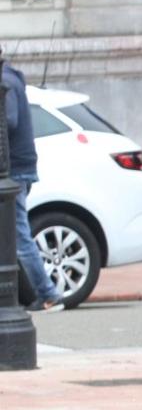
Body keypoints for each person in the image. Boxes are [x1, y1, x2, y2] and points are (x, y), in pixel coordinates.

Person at [3, 48, 63, 313]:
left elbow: (9, 121)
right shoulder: (11, 78)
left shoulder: (4, 82)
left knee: (18, 235)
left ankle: (47, 293)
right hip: (19, 167)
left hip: (13, 169)